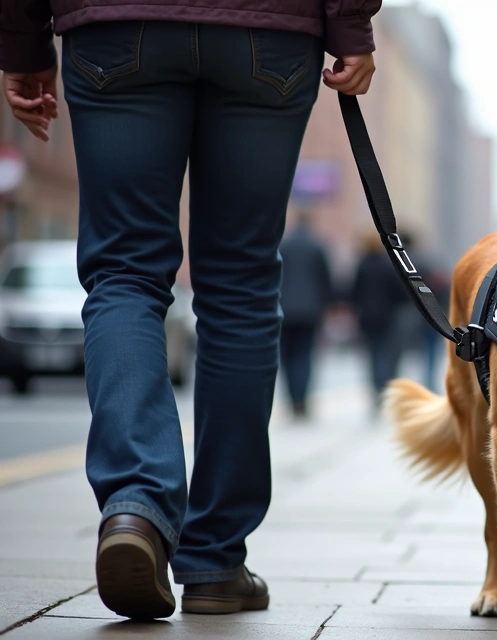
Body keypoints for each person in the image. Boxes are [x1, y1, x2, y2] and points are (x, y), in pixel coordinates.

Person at [0, 0, 380, 620]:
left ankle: (135, 503)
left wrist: (22, 41)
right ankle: (216, 560)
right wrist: (351, 25)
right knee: (240, 287)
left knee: (124, 272)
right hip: (268, 33)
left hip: (115, 27)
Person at [350, 230, 421, 410]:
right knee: (387, 355)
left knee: (372, 355)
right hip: (389, 317)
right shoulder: (388, 264)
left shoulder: (362, 264)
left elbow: (354, 291)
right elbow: (400, 291)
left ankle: (376, 389)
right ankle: (385, 389)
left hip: (366, 317)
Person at [279, 212, 334, 420]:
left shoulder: (283, 246)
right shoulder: (317, 247)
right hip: (311, 311)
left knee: (287, 357)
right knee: (305, 356)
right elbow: (325, 279)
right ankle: (302, 400)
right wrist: (327, 306)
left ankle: (292, 399)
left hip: (284, 309)